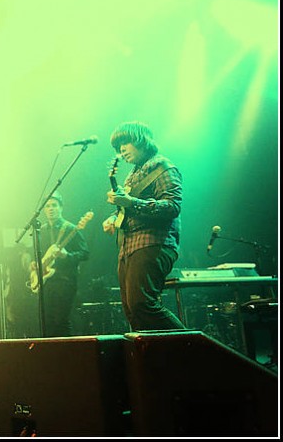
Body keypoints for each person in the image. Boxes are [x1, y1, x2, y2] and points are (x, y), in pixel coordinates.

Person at [102, 121, 185, 331]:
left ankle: (192, 347)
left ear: (142, 141)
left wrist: (130, 202)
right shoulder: (132, 175)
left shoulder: (163, 167)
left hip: (153, 243)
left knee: (143, 305)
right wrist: (114, 218)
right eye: (118, 145)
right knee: (132, 311)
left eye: (126, 142)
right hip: (128, 248)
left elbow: (172, 206)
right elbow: (130, 209)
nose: (121, 149)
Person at [28, 191, 90, 337]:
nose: (51, 208)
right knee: (47, 321)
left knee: (61, 321)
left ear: (61, 208)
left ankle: (66, 354)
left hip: (65, 280)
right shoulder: (40, 231)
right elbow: (35, 255)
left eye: (54, 205)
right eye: (48, 206)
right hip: (46, 282)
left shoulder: (70, 228)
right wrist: (33, 263)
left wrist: (66, 256)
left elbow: (85, 253)